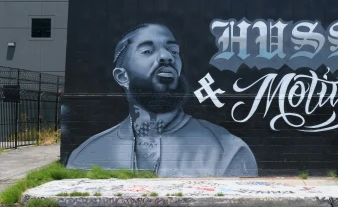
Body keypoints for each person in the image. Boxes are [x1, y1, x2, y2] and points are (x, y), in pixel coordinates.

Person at [67, 23, 258, 177]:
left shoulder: (227, 151)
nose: (167, 57)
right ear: (122, 76)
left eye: (174, 51)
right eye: (148, 51)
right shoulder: (85, 156)